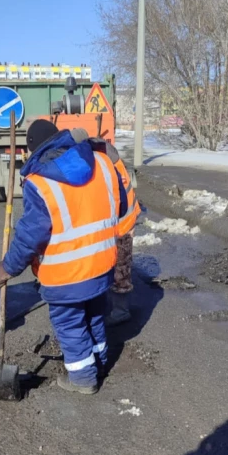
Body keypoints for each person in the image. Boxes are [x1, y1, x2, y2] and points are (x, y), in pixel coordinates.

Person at [0, 120, 127, 394]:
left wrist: (7, 268)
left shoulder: (39, 183)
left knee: (70, 324)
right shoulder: (101, 164)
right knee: (95, 317)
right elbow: (120, 203)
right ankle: (99, 362)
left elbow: (31, 235)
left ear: (31, 151)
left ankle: (83, 378)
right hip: (102, 264)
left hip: (65, 274)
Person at [70, 128, 141, 326]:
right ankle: (107, 303)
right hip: (118, 217)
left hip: (122, 222)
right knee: (112, 263)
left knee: (120, 266)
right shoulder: (105, 155)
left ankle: (120, 310)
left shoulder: (101, 163)